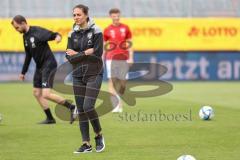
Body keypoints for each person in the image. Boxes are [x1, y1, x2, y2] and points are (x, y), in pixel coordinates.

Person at [11, 15, 76, 124]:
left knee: (46, 94)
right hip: (40, 66)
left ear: (23, 23)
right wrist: (23, 72)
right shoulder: (25, 37)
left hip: (49, 64)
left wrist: (58, 37)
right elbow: (28, 55)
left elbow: (54, 34)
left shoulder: (37, 31)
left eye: (17, 27)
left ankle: (72, 107)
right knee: (37, 93)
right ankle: (50, 118)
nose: (16, 30)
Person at [66, 4, 105, 153]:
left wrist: (77, 54)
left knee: (88, 107)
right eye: (74, 15)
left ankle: (99, 135)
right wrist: (84, 53)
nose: (76, 17)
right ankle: (86, 144)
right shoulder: (71, 34)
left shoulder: (96, 30)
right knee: (81, 110)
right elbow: (69, 57)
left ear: (86, 15)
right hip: (77, 75)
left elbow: (97, 53)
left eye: (78, 15)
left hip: (94, 73)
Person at [103, 8, 134, 113]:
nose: (116, 18)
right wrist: (102, 57)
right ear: (110, 17)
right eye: (114, 16)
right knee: (112, 82)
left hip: (123, 58)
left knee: (122, 83)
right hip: (111, 58)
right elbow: (104, 45)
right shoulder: (107, 29)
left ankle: (119, 103)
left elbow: (130, 43)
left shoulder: (125, 28)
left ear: (119, 16)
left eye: (117, 16)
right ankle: (116, 106)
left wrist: (131, 57)